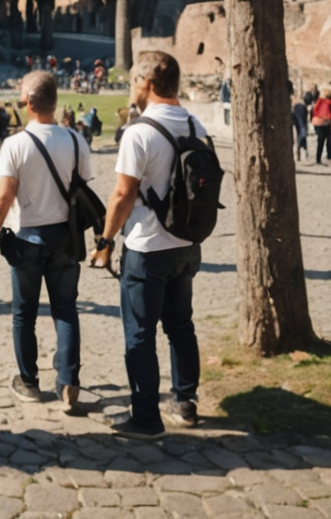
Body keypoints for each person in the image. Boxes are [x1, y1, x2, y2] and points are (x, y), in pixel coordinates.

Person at [91, 50, 202, 439]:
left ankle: (146, 418)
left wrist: (105, 241)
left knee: (139, 333)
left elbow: (122, 195)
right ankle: (185, 402)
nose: (131, 88)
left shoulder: (140, 132)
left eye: (134, 81)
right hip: (186, 242)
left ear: (148, 83)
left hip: (147, 245)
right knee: (181, 326)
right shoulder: (195, 124)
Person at [0, 70, 91, 412]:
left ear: (29, 103)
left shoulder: (15, 144)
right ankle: (68, 380)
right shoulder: (76, 141)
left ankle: (29, 381)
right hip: (65, 237)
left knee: (24, 315)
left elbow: (5, 195)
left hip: (27, 236)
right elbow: (84, 188)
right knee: (66, 311)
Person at [312, 89, 331, 165]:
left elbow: (315, 110)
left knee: (320, 141)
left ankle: (318, 158)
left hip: (318, 122)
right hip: (326, 123)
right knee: (328, 140)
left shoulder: (319, 101)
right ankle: (330, 155)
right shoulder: (330, 103)